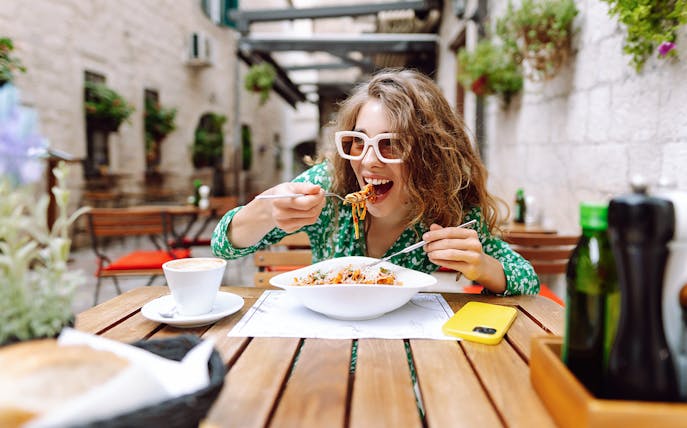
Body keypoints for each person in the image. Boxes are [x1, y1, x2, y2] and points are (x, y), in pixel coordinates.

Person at [212, 69, 538, 295]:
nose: (368, 160)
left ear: (430, 157)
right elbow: (222, 247)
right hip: (327, 351)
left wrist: (480, 267)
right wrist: (264, 211)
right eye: (358, 141)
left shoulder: (451, 209)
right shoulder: (330, 185)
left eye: (391, 144)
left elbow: (527, 282)